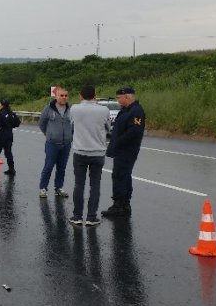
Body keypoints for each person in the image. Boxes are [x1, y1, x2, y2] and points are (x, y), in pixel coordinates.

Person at [68, 85, 111, 226]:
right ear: (95, 96)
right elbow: (108, 128)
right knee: (95, 185)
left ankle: (77, 216)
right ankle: (92, 217)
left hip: (80, 152)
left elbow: (72, 125)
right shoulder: (104, 110)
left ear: (81, 96)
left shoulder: (74, 108)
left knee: (79, 184)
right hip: (98, 152)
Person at [102, 86, 146, 218]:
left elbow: (134, 131)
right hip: (122, 149)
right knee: (124, 176)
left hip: (127, 150)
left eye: (119, 98)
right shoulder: (127, 110)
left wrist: (119, 141)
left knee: (119, 176)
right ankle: (124, 203)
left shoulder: (136, 111)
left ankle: (119, 205)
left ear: (127, 97)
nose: (118, 100)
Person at [38, 87, 72, 199]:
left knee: (62, 168)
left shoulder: (71, 109)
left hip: (66, 144)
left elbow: (74, 125)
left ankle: (59, 188)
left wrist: (70, 136)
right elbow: (42, 123)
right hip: (52, 144)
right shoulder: (49, 108)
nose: (64, 97)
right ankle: (43, 188)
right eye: (61, 95)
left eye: (66, 95)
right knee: (48, 166)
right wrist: (49, 135)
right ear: (56, 96)